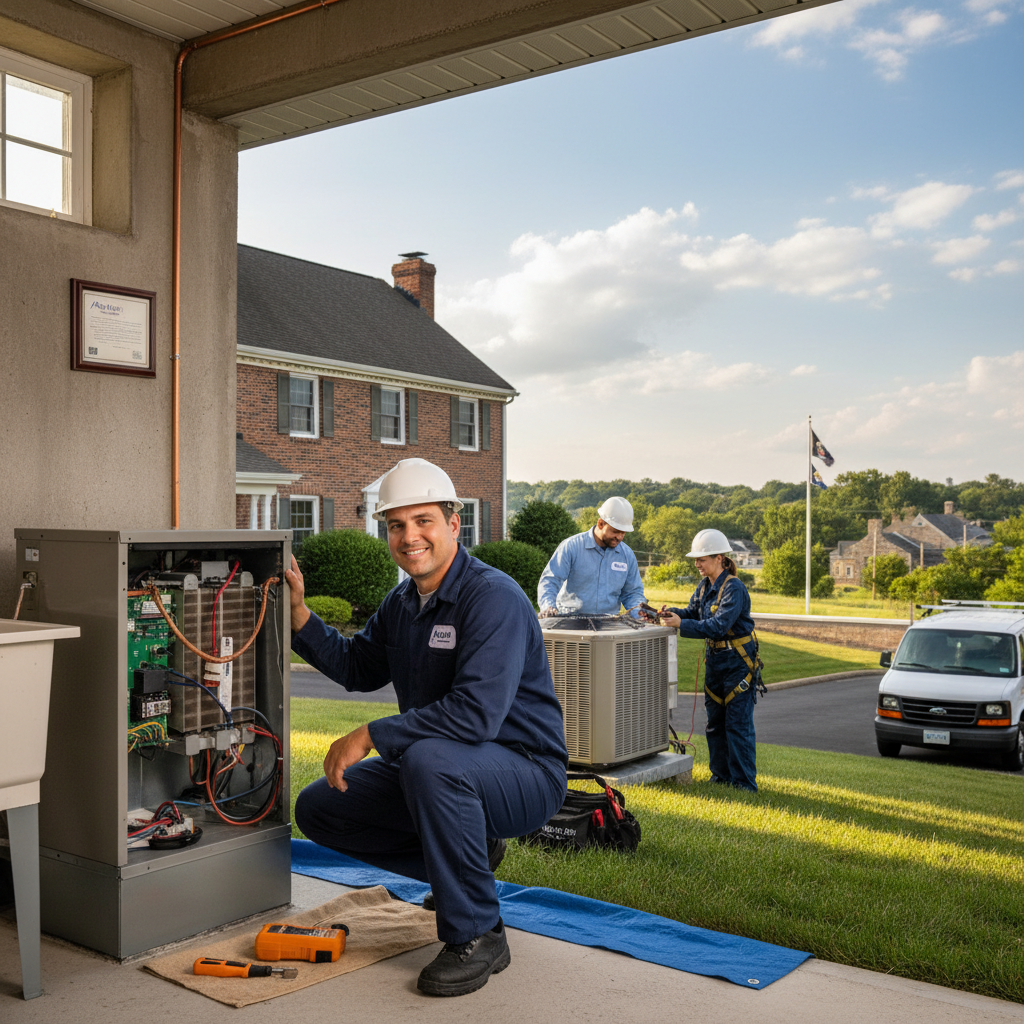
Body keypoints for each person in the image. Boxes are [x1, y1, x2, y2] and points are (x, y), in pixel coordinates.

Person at [287, 458, 568, 998]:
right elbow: (357, 666)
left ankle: (479, 933)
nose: (409, 536)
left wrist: (370, 735)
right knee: (321, 806)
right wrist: (300, 614)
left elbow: (476, 715)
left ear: (454, 524)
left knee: (426, 758)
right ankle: (469, 864)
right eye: (396, 525)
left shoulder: (494, 598)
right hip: (442, 772)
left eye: (423, 521)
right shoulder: (402, 603)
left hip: (524, 770)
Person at [658, 529, 762, 792]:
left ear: (719, 558)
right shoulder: (705, 586)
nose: (697, 564)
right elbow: (692, 612)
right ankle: (721, 776)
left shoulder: (734, 588)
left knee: (737, 724)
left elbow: (718, 625)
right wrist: (671, 613)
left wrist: (682, 624)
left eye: (701, 559)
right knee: (715, 723)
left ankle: (744, 783)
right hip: (716, 662)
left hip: (738, 664)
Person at [537, 496, 645, 618]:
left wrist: (641, 613)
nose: (619, 537)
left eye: (623, 533)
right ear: (600, 524)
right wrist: (548, 607)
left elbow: (632, 593)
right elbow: (550, 581)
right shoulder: (571, 547)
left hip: (608, 625)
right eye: (615, 531)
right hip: (570, 623)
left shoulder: (627, 555)